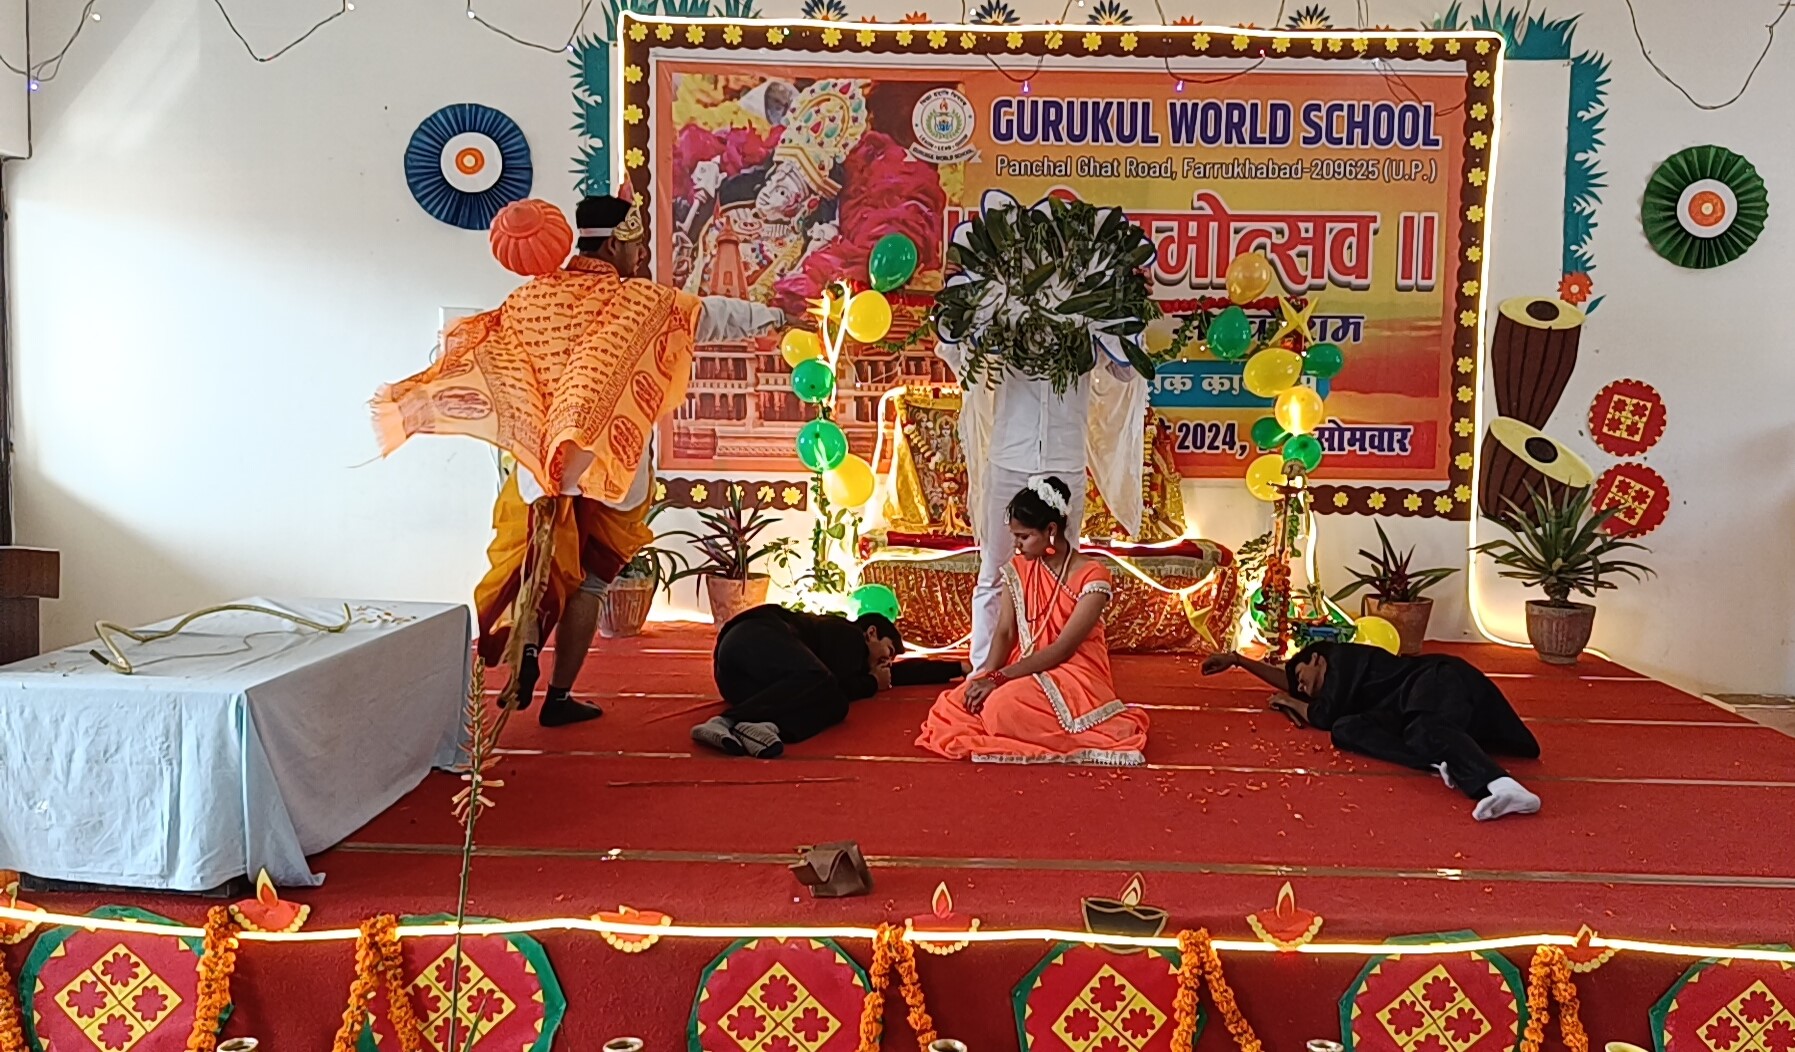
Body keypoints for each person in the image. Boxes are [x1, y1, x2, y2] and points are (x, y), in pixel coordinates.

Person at [373, 191, 785, 726]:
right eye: (634, 246)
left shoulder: (526, 302)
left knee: (534, 569)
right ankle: (560, 698)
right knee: (589, 581)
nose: (637, 257)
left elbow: (487, 356)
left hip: (541, 464)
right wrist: (774, 313)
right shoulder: (640, 301)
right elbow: (708, 317)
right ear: (614, 243)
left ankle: (525, 648)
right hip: (608, 465)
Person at [936, 329, 1150, 673]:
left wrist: (1123, 322)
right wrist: (959, 316)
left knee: (1063, 568)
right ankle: (981, 673)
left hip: (1064, 460)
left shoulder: (1086, 308)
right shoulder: (1005, 301)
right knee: (994, 569)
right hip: (1009, 457)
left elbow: (1126, 370)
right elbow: (954, 352)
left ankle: (1053, 673)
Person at [916, 477, 1149, 765]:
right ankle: (1017, 721)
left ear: (1051, 530)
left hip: (1074, 673)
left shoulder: (1092, 575)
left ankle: (1052, 728)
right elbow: (1004, 631)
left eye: (1024, 536)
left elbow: (1063, 648)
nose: (1016, 546)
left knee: (1002, 707)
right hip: (1022, 667)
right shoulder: (1019, 568)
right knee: (954, 703)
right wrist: (986, 675)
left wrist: (1000, 679)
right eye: (1014, 536)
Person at [1202, 643, 1543, 821]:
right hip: (1402, 709)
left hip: (1434, 679)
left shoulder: (1340, 658)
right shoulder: (1328, 680)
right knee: (1347, 728)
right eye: (1301, 691)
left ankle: (1502, 786)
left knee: (1427, 726)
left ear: (1317, 659)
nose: (1302, 687)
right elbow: (1326, 714)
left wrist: (1290, 702)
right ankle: (1438, 762)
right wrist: (1238, 661)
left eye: (1302, 675)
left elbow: (1320, 714)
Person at [693, 605, 967, 758]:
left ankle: (765, 726)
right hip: (751, 637)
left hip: (745, 682)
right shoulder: (846, 635)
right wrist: (871, 683)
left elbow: (900, 674)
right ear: (871, 633)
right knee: (823, 683)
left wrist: (960, 667)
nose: (887, 662)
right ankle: (725, 722)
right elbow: (838, 680)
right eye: (888, 652)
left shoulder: (859, 662)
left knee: (836, 704)